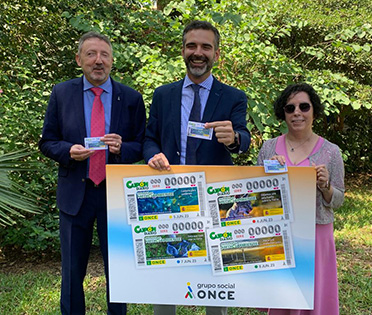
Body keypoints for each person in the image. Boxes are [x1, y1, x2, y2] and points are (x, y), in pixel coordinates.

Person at [143, 20, 251, 315]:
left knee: (216, 278)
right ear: (183, 51)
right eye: (192, 45)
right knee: (166, 272)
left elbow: (244, 139)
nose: (198, 52)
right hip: (169, 196)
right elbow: (149, 137)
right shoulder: (163, 95)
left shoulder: (233, 96)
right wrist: (152, 155)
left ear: (217, 54)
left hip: (215, 198)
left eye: (206, 46)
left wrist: (235, 138)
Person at [39, 31, 146, 315]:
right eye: (91, 54)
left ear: (112, 61)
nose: (98, 61)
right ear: (78, 59)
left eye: (104, 55)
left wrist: (123, 148)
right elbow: (47, 142)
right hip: (76, 193)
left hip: (115, 196)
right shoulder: (62, 93)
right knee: (72, 272)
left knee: (119, 272)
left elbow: (142, 145)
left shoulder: (132, 98)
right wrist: (67, 152)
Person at [257, 83, 344, 315]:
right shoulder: (268, 149)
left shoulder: (331, 152)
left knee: (314, 298)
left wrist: (325, 186)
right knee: (282, 298)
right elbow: (255, 197)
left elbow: (338, 200)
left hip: (316, 235)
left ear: (314, 111)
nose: (297, 112)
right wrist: (269, 177)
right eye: (290, 108)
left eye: (304, 107)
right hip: (280, 233)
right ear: (282, 113)